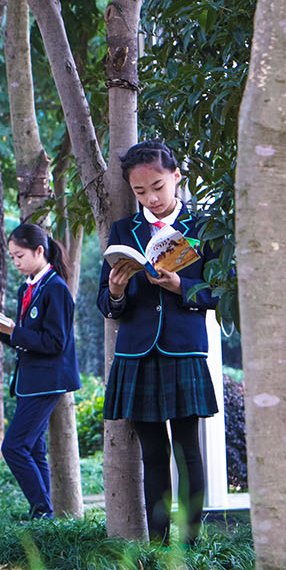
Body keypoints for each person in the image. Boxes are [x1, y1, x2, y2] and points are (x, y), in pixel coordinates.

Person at [97, 140, 220, 543]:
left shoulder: (203, 227)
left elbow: (221, 292)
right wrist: (116, 292)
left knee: (187, 449)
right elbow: (106, 304)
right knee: (152, 454)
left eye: (158, 187)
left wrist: (181, 285)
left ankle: (190, 544)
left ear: (176, 177)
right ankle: (159, 544)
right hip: (136, 352)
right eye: (140, 191)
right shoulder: (124, 230)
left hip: (183, 348)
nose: (151, 198)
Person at [0, 223, 80, 519]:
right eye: (12, 257)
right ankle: (44, 519)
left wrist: (13, 331)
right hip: (28, 380)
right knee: (34, 450)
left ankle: (42, 512)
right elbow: (25, 337)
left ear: (39, 251)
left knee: (13, 447)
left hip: (47, 380)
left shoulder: (56, 288)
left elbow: (54, 342)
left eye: (20, 255)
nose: (16, 262)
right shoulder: (27, 287)